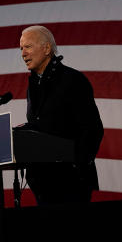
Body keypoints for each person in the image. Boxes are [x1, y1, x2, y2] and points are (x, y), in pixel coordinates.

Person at [18, 25, 104, 205]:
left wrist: (76, 167)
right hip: (42, 185)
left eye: (28, 47)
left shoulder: (72, 80)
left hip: (71, 185)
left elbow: (93, 129)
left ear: (47, 48)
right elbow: (41, 128)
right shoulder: (32, 86)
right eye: (21, 49)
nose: (23, 53)